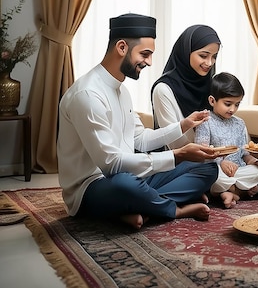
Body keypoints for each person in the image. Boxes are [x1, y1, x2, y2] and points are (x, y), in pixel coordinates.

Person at [58, 13, 221, 230]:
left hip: (130, 175)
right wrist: (176, 154)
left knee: (207, 168)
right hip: (93, 186)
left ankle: (139, 207)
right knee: (126, 185)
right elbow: (112, 164)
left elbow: (140, 139)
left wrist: (183, 125)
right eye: (145, 54)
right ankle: (172, 209)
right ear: (122, 47)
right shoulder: (87, 94)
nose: (149, 62)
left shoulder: (121, 90)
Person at [195, 72, 258, 208]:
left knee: (257, 173)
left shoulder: (239, 123)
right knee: (212, 176)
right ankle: (238, 191)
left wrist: (256, 162)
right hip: (217, 170)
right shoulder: (205, 121)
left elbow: (245, 153)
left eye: (237, 104)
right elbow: (202, 152)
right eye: (228, 104)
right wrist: (221, 162)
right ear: (212, 101)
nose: (232, 109)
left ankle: (227, 192)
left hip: (238, 170)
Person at [151, 25, 221, 149]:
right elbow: (174, 143)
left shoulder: (211, 85)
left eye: (214, 56)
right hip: (179, 163)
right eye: (203, 56)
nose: (209, 63)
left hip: (216, 160)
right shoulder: (163, 89)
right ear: (186, 52)